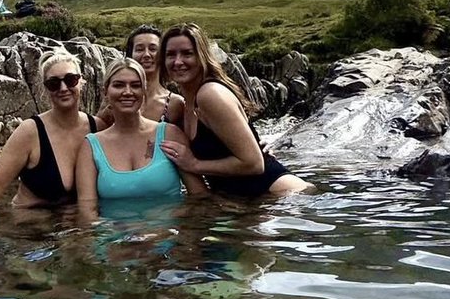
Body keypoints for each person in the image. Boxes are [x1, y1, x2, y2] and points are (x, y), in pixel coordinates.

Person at [157, 23, 315, 198]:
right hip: (250, 202)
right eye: (170, 55)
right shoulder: (186, 103)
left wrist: (194, 164)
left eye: (187, 53)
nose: (178, 62)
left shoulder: (209, 94)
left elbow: (254, 163)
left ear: (202, 56)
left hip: (282, 196)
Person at [0, 50, 96, 216]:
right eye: (53, 83)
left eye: (70, 80)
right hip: (27, 227)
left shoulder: (97, 127)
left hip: (70, 226)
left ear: (81, 82)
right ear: (45, 88)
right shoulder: (30, 132)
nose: (63, 88)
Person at [76, 58, 209, 217]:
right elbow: (87, 210)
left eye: (135, 85)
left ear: (144, 91)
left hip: (167, 236)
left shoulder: (170, 134)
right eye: (119, 85)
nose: (127, 92)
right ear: (106, 91)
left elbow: (199, 197)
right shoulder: (91, 146)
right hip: (113, 237)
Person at [96, 24, 185, 127]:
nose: (147, 55)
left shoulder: (175, 104)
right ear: (130, 54)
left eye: (153, 49)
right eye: (139, 49)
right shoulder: (115, 99)